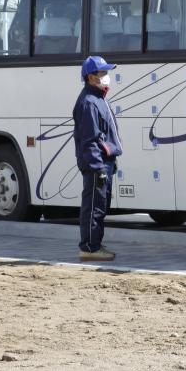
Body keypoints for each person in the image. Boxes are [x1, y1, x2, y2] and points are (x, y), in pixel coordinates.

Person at [73, 55, 123, 261]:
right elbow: (89, 140)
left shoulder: (98, 99)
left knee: (100, 206)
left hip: (104, 162)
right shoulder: (88, 103)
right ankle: (89, 247)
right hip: (97, 164)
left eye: (106, 72)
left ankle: (94, 243)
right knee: (94, 206)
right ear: (90, 77)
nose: (106, 76)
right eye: (102, 73)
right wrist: (98, 167)